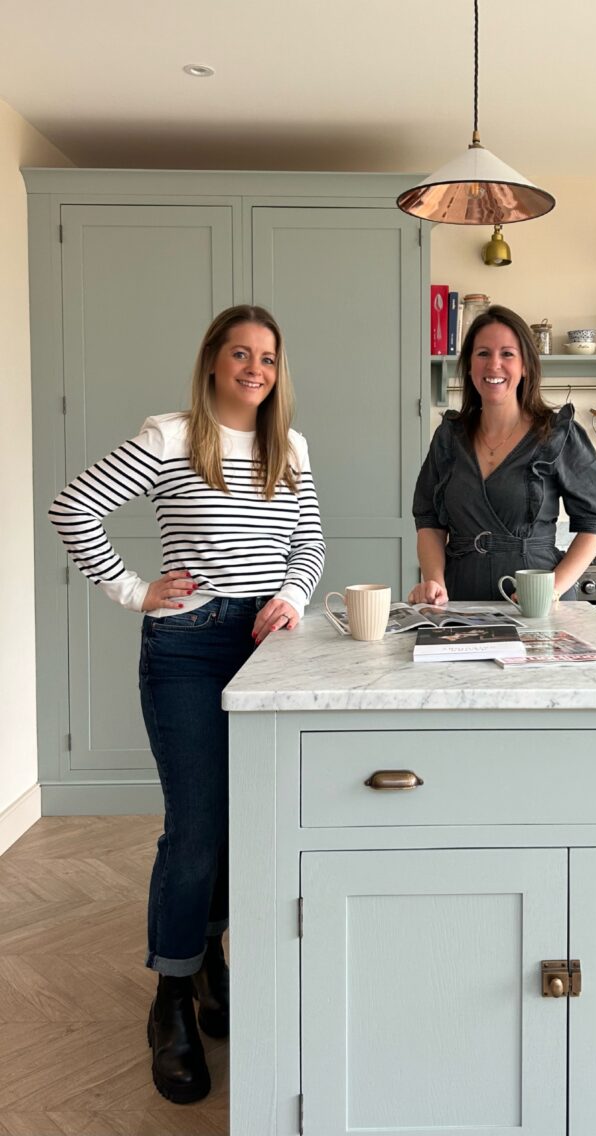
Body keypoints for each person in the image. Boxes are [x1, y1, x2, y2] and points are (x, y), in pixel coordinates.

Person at [48, 305, 325, 1104]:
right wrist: (137, 591)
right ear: (213, 363)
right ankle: (170, 998)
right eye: (240, 354)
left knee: (245, 824)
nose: (254, 369)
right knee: (197, 828)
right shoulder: (169, 436)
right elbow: (74, 508)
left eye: (267, 357)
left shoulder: (290, 446)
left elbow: (306, 541)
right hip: (188, 649)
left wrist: (293, 594)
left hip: (268, 646)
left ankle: (208, 960)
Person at [409, 305, 596, 605]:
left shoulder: (557, 433)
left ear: (525, 366)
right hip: (462, 600)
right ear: (468, 366)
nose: (494, 365)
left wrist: (552, 589)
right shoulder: (448, 438)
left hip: (536, 605)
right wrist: (435, 582)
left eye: (507, 354)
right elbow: (429, 521)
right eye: (483, 354)